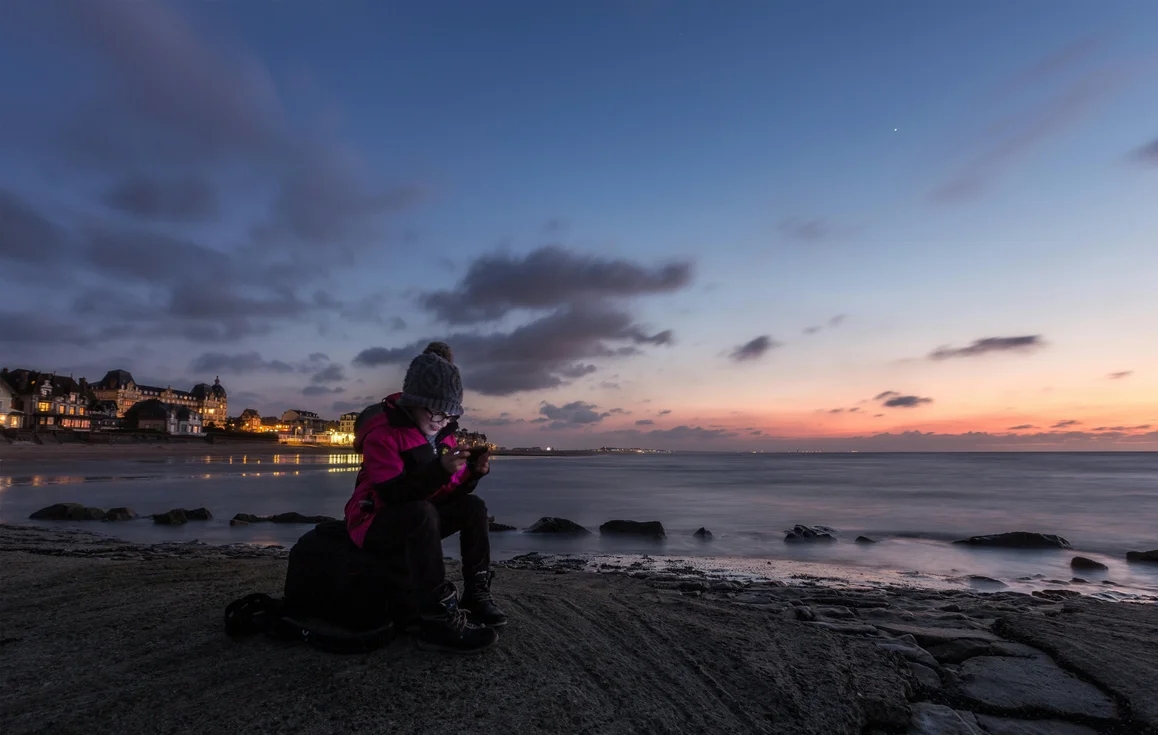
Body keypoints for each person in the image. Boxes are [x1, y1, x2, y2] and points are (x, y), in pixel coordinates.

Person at [344, 342, 505, 654]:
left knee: (474, 508)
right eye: (434, 409)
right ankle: (435, 619)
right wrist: (440, 470)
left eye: (449, 413)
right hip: (372, 521)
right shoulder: (384, 434)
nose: (440, 420)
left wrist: (471, 474)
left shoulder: (442, 434)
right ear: (414, 401)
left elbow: (446, 491)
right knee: (421, 513)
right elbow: (393, 493)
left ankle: (476, 592)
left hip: (417, 515)